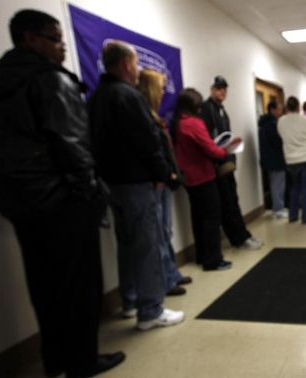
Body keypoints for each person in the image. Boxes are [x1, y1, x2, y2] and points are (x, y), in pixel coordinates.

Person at [0, 9, 125, 378]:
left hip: (20, 202)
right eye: (55, 39)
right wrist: (90, 195)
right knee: (80, 283)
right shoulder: (50, 80)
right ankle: (83, 361)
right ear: (29, 38)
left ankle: (55, 357)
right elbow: (72, 144)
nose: (62, 48)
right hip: (64, 200)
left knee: (42, 281)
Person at [88, 41, 185, 331]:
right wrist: (161, 174)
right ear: (127, 64)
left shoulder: (96, 98)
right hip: (137, 182)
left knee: (127, 244)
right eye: (136, 63)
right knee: (147, 245)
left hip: (112, 183)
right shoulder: (128, 96)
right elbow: (147, 142)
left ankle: (129, 300)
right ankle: (151, 310)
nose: (138, 68)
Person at [136, 69, 192, 298]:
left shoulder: (154, 116)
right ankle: (167, 280)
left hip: (164, 182)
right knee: (158, 234)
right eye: (159, 88)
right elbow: (150, 151)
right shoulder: (144, 116)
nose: (162, 92)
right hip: (156, 184)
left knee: (165, 231)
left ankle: (171, 273)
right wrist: (163, 175)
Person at [173, 88, 240, 271]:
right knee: (212, 217)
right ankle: (213, 259)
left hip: (189, 178)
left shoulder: (177, 123)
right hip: (204, 176)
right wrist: (225, 150)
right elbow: (210, 149)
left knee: (198, 217)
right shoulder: (194, 123)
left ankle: (202, 255)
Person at [201, 76, 263, 250]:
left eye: (224, 89)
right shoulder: (207, 109)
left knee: (233, 201)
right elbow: (209, 139)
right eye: (219, 88)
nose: (222, 92)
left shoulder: (221, 109)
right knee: (228, 204)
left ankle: (242, 235)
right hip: (217, 165)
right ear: (212, 89)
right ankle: (239, 239)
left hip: (226, 162)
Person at [277, 96, 306, 224]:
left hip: (291, 160)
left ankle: (293, 216)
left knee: (294, 188)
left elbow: (281, 135)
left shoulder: (281, 121)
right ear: (298, 107)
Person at [258, 100, 287, 218]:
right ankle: (277, 209)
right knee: (277, 185)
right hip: (275, 159)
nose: (281, 112)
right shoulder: (271, 125)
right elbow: (277, 142)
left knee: (277, 184)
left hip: (271, 159)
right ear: (272, 110)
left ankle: (279, 206)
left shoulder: (266, 123)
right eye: (279, 109)